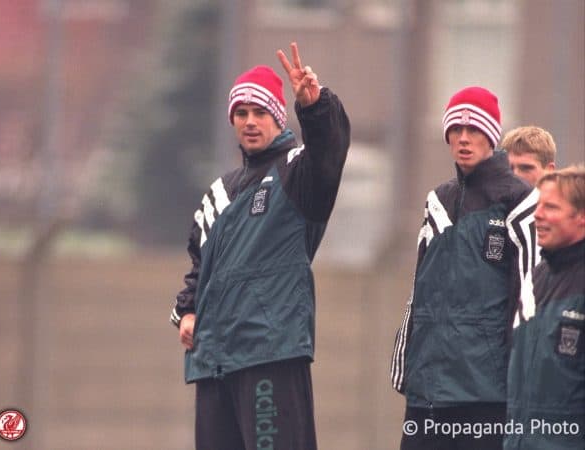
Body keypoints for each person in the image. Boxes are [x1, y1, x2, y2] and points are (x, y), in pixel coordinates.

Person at [169, 42, 350, 450]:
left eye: (261, 112)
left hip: (271, 353)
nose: (251, 122)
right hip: (214, 360)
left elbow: (330, 153)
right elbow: (199, 264)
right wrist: (189, 309)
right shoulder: (219, 191)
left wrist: (316, 106)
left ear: (278, 116)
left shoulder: (298, 171)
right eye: (242, 113)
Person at [390, 86, 539, 450]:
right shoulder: (437, 201)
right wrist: (404, 360)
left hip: (484, 391)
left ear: (492, 135)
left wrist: (522, 379)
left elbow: (528, 297)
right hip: (427, 388)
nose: (464, 138)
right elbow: (419, 287)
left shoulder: (519, 200)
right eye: (455, 129)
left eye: (474, 130)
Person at [504, 165, 585, 450]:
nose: (537, 215)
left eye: (550, 207)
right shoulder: (536, 278)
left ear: (581, 217)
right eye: (538, 206)